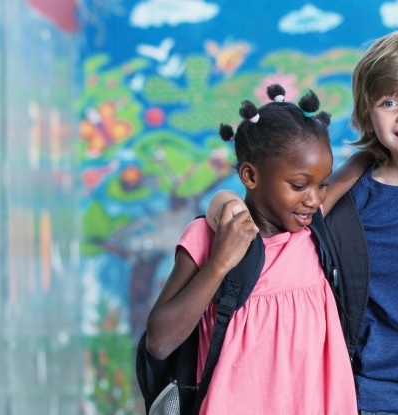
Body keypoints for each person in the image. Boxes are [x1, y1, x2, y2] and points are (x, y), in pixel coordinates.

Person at [210, 30, 398, 414]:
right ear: (368, 115)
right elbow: (263, 230)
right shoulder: (347, 206)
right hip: (378, 401)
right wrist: (221, 202)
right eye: (389, 102)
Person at [141, 84, 357, 414]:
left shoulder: (313, 230)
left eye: (321, 184)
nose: (314, 198)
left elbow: (368, 159)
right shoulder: (206, 237)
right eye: (299, 185)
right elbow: (159, 341)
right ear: (250, 176)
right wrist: (218, 264)